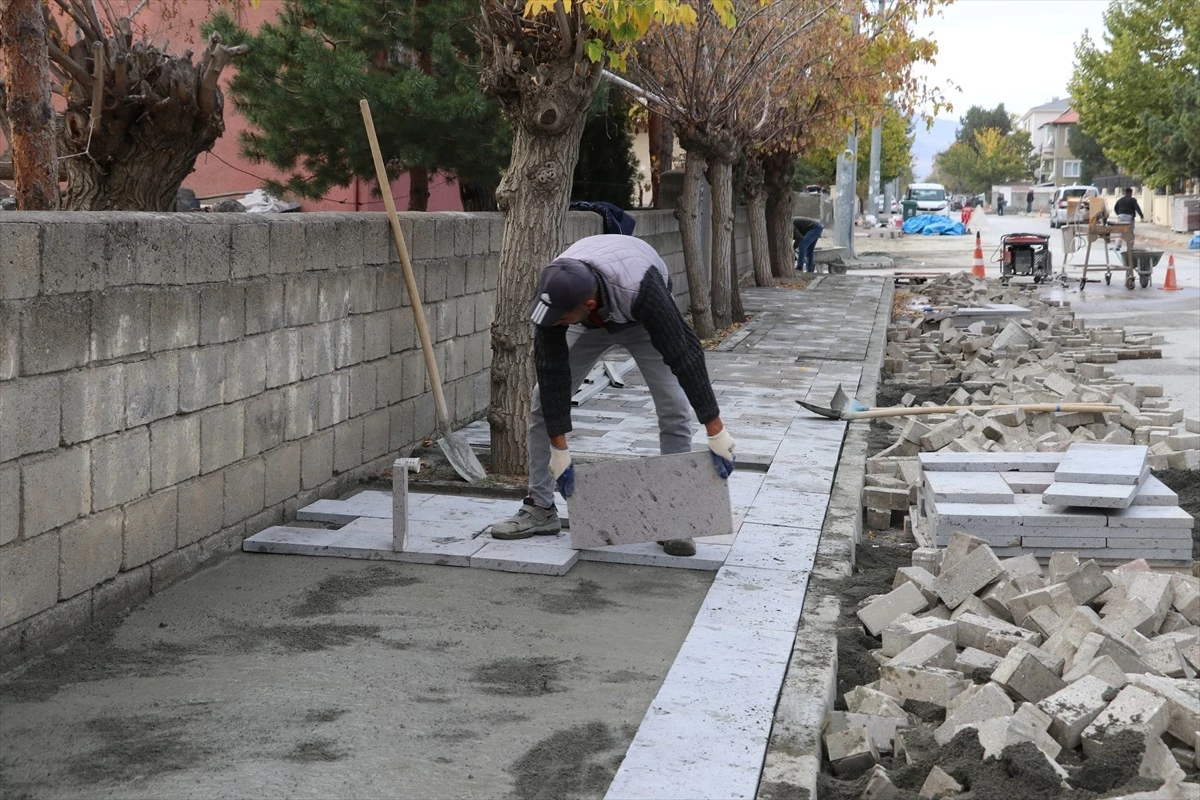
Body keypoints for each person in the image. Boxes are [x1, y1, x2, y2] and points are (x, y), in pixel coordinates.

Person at [488, 235, 736, 557]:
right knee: (541, 404)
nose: (553, 323)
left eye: (560, 317)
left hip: (638, 317)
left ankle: (675, 520)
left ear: (588, 305)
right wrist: (560, 452)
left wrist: (716, 431)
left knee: (674, 406)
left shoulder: (643, 290)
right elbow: (552, 374)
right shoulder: (556, 293)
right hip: (588, 324)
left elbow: (686, 356)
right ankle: (540, 507)